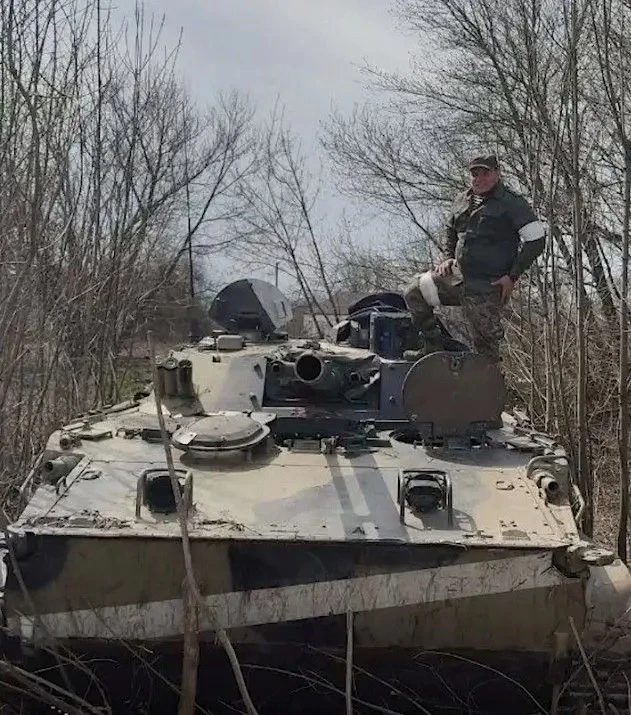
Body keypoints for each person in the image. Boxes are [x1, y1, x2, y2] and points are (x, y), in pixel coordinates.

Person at [404, 154, 546, 364]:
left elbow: (537, 240)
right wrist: (448, 257)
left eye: (485, 173)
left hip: (487, 285)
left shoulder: (511, 203)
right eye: (475, 174)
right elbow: (451, 229)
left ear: (497, 173)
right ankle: (432, 346)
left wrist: (512, 276)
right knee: (415, 291)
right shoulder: (462, 199)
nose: (479, 179)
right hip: (457, 277)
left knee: (486, 351)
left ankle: (488, 382)